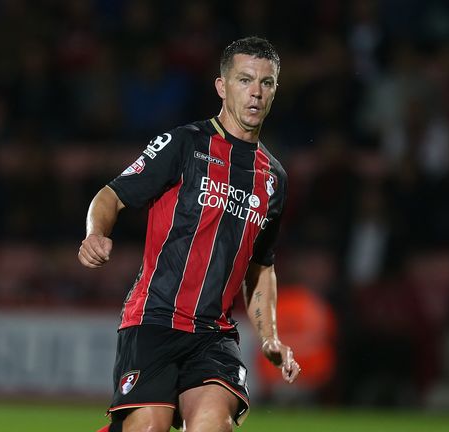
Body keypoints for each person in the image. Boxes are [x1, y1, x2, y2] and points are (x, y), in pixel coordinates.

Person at [78, 36, 300, 432]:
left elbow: (261, 268)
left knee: (212, 426)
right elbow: (111, 195)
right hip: (153, 319)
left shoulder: (274, 179)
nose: (255, 92)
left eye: (266, 83)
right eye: (245, 80)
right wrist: (96, 232)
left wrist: (269, 337)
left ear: (275, 90)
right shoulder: (183, 144)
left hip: (212, 334)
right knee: (149, 427)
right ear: (222, 86)